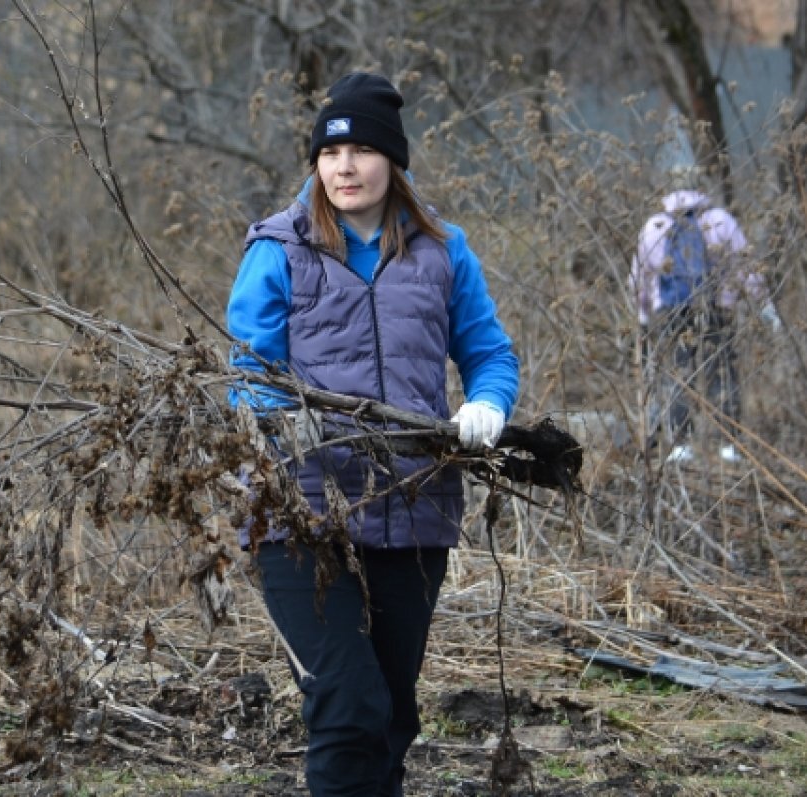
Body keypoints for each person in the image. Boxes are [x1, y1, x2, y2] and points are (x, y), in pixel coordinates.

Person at [226, 72, 519, 797]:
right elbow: (247, 374)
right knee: (347, 706)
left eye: (360, 150)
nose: (343, 167)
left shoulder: (443, 251)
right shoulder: (278, 248)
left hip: (413, 506)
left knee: (391, 717)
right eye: (330, 153)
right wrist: (290, 430)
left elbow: (490, 353)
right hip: (299, 515)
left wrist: (487, 404)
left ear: (393, 159)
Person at [630, 122, 781, 464]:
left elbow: (639, 278)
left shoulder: (655, 227)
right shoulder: (720, 220)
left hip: (671, 311)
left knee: (679, 373)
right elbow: (747, 269)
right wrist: (765, 308)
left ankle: (682, 444)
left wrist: (641, 319)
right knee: (722, 371)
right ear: (700, 184)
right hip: (716, 308)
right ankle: (729, 445)